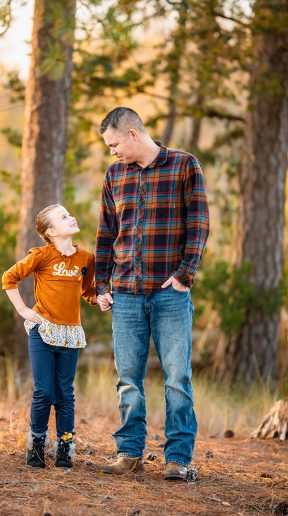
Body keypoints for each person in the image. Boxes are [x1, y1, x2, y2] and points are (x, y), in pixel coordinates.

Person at [95, 107, 209, 480]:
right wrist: (101, 284)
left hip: (169, 294)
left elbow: (199, 224)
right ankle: (129, 453)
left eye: (113, 144)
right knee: (128, 378)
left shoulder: (184, 165)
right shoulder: (114, 175)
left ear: (132, 134)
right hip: (125, 293)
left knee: (177, 377)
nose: (111, 152)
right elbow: (106, 234)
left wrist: (184, 275)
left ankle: (178, 459)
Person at [2, 204, 97, 469]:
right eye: (64, 217)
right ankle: (36, 445)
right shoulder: (42, 255)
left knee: (65, 393)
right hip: (43, 331)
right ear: (51, 231)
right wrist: (22, 309)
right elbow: (9, 278)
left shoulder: (86, 258)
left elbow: (88, 291)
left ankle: (65, 446)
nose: (72, 217)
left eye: (70, 214)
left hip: (70, 334)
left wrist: (99, 299)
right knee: (44, 392)